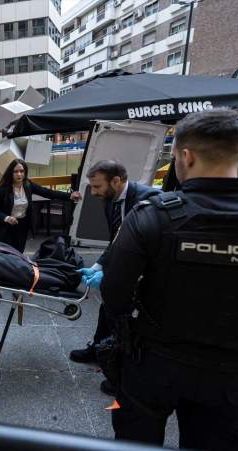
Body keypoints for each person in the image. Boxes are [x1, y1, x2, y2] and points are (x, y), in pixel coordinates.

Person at [101, 108, 238, 450]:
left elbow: (114, 292)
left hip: (153, 366)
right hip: (233, 372)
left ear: (187, 156)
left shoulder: (153, 216)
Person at [69, 160, 160, 396]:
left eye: (97, 186)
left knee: (126, 320)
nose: (93, 192)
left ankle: (120, 370)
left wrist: (112, 274)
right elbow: (116, 241)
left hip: (145, 270)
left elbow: (147, 247)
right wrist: (99, 266)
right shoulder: (111, 200)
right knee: (108, 307)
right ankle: (99, 350)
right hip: (123, 265)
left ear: (116, 181)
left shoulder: (147, 200)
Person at [0, 159, 81, 253]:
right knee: (5, 254)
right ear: (10, 173)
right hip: (6, 227)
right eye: (15, 171)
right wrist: (6, 218)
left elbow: (47, 192)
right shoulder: (3, 189)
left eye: (22, 171)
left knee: (18, 253)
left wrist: (69, 196)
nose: (19, 174)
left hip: (22, 225)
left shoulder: (28, 185)